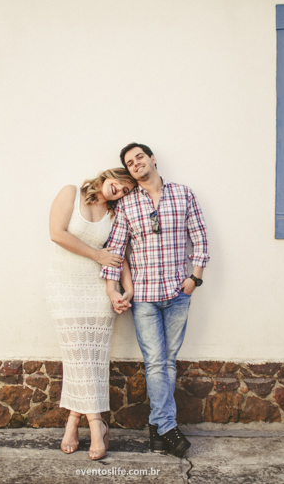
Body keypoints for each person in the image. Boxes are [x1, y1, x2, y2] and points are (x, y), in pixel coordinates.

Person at [101, 143, 209, 458]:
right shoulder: (127, 205)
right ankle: (167, 427)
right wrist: (112, 289)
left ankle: (157, 429)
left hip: (179, 293)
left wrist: (195, 278)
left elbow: (200, 237)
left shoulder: (184, 194)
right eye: (130, 162)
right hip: (145, 298)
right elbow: (115, 250)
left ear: (152, 160)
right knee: (156, 362)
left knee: (168, 362)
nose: (136, 164)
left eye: (140, 157)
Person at [47, 168, 136, 460]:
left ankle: (73, 422)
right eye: (119, 184)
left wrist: (126, 289)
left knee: (93, 358)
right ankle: (96, 424)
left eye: (126, 190)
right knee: (76, 355)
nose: (120, 191)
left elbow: (118, 252)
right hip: (65, 286)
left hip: (98, 291)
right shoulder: (70, 193)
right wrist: (97, 255)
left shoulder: (116, 213)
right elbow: (56, 234)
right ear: (106, 175)